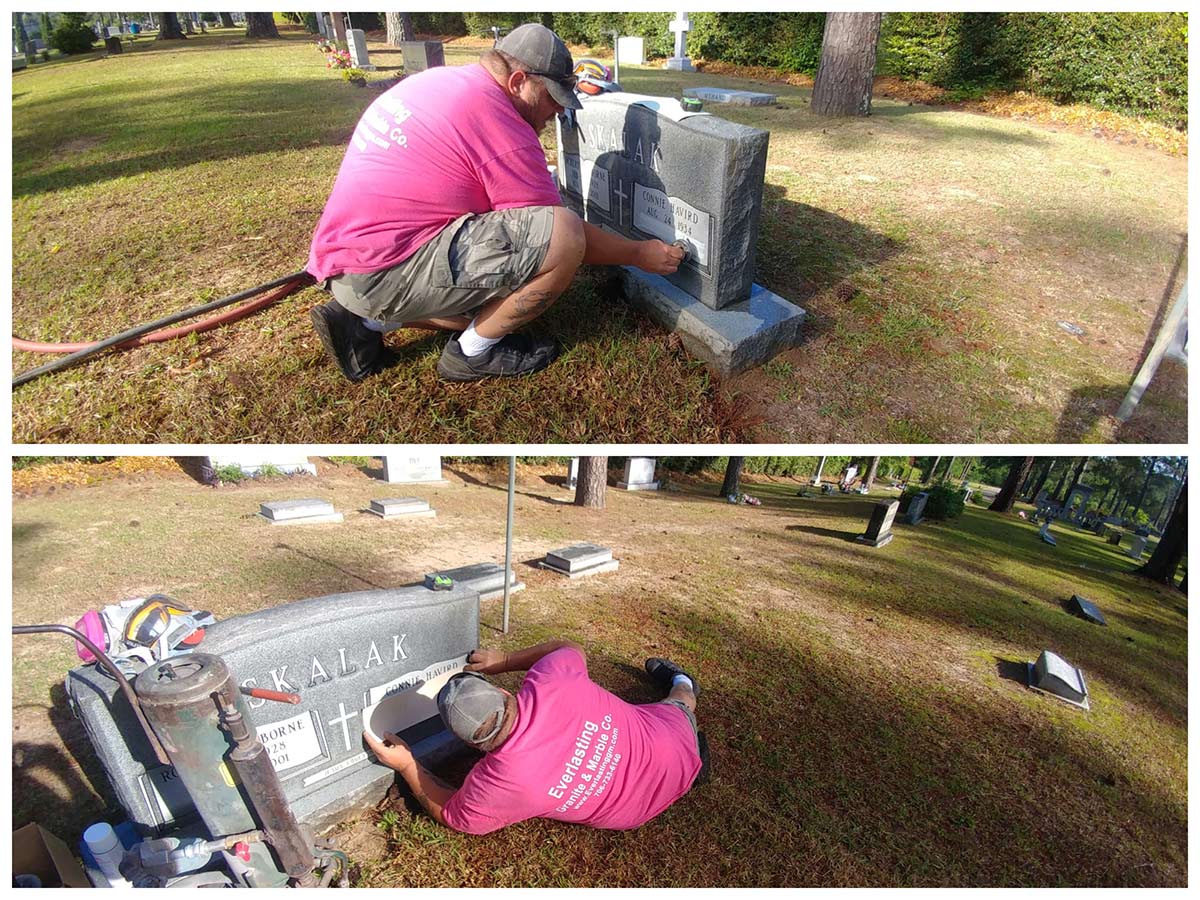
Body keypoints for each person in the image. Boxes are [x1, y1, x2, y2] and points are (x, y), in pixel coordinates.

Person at [305, 23, 685, 383]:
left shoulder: (442, 80)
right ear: (518, 82)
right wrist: (638, 254)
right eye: (552, 97)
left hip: (350, 266)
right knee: (562, 236)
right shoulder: (499, 121)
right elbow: (560, 238)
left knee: (498, 295)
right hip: (383, 272)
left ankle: (363, 323)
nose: (557, 110)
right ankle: (472, 353)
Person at [363, 640, 707, 833]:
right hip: (671, 747)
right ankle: (683, 686)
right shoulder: (554, 681)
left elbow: (453, 815)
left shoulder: (498, 784)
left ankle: (681, 682)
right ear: (504, 692)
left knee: (675, 706)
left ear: (471, 745)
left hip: (635, 812)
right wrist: (505, 660)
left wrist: (408, 765)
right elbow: (570, 648)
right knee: (680, 705)